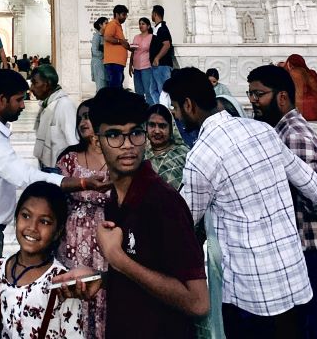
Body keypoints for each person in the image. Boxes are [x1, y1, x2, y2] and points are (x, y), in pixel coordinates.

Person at [165, 67, 317, 338]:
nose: (176, 117)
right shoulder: (262, 130)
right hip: (293, 282)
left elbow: (183, 221)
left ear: (188, 105)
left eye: (175, 110)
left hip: (250, 296)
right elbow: (312, 184)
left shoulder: (201, 156)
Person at [57, 87, 209, 338]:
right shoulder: (115, 199)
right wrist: (101, 279)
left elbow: (198, 301)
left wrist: (118, 259)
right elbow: (144, 272)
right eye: (115, 135)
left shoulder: (163, 203)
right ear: (97, 140)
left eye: (135, 133)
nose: (127, 146)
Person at [0, 70, 108, 260]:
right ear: (2, 100)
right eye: (19, 100)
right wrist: (82, 182)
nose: (22, 106)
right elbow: (26, 177)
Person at [248, 64, 317, 339]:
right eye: (250, 93)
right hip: (299, 255)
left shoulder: (294, 136)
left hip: (309, 255)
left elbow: (314, 198)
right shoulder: (279, 132)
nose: (253, 100)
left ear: (282, 97)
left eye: (259, 94)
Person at [0, 182, 83, 339]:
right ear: (15, 217)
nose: (32, 227)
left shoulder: (62, 282)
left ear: (58, 231)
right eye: (26, 216)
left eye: (44, 221)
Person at [56, 99, 108, 339]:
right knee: (74, 298)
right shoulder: (69, 159)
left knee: (101, 298)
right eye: (80, 118)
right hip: (72, 243)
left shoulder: (117, 158)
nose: (83, 122)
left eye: (88, 116)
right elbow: (55, 195)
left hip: (105, 245)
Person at [30, 64, 78, 171]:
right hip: (47, 165)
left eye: (35, 83)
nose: (31, 88)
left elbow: (73, 142)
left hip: (59, 168)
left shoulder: (64, 105)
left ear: (47, 84)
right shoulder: (47, 105)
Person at [144, 103, 189, 190]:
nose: (157, 131)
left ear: (171, 128)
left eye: (162, 126)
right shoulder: (140, 154)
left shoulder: (183, 154)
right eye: (152, 125)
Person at [279, 53, 317, 121]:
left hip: (304, 112)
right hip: (316, 111)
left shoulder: (295, 73)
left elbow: (298, 95)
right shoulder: (311, 72)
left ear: (289, 64)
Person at [148, 5, 173, 104]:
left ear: (154, 14)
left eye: (152, 13)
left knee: (164, 92)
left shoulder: (162, 28)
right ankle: (160, 110)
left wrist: (157, 58)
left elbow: (166, 45)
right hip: (156, 66)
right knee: (153, 91)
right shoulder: (157, 28)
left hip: (162, 65)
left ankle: (166, 113)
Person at [102, 4, 129, 89]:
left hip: (117, 62)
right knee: (115, 88)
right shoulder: (113, 24)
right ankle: (114, 102)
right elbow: (107, 37)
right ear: (117, 14)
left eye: (126, 15)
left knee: (117, 86)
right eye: (123, 15)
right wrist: (120, 41)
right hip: (114, 63)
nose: (125, 17)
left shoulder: (118, 25)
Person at [129, 17, 153, 102]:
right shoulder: (136, 37)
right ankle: (141, 110)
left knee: (148, 90)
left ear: (148, 26)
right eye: (139, 24)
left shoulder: (151, 37)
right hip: (136, 67)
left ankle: (150, 109)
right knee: (138, 91)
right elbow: (133, 51)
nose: (140, 25)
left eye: (143, 24)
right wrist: (130, 64)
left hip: (146, 66)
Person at [90, 17, 107, 92]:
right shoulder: (97, 36)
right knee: (101, 86)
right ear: (100, 25)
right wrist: (104, 56)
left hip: (104, 64)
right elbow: (94, 51)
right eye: (106, 23)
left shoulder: (104, 36)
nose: (108, 25)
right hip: (98, 63)